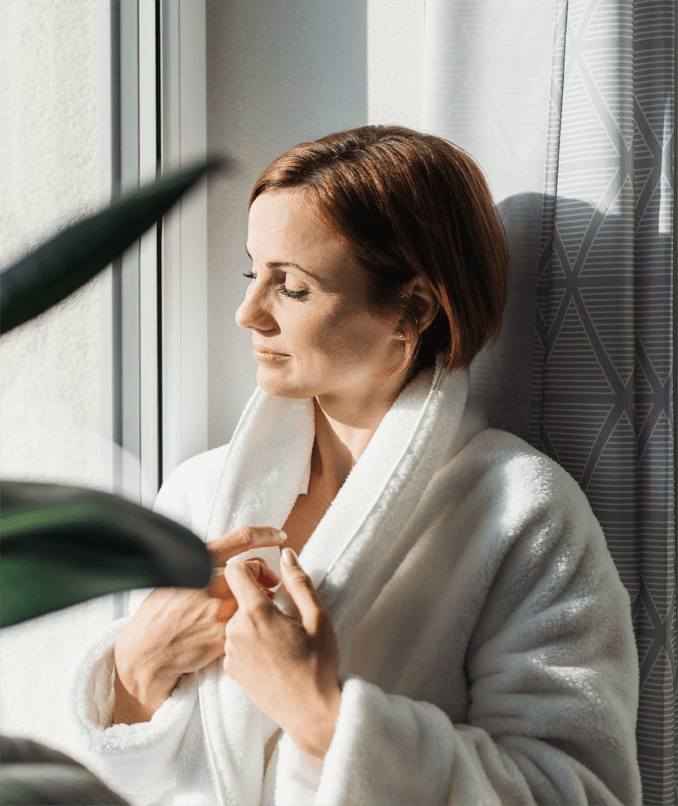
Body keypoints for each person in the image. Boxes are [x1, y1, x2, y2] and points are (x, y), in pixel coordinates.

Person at [67, 126, 641, 806]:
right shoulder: (200, 492)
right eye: (255, 273)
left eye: (294, 288)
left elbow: (578, 790)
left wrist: (325, 720)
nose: (247, 312)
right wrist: (137, 670)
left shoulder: (523, 513)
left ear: (413, 309)